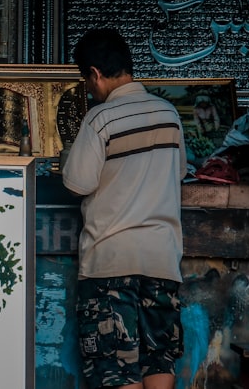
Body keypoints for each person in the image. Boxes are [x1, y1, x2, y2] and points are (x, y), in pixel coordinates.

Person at [62, 28, 187, 389]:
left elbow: (77, 183)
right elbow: (178, 172)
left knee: (115, 367)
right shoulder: (169, 114)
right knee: (159, 358)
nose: (89, 88)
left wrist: (70, 154)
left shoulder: (101, 118)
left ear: (96, 73)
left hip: (111, 263)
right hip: (162, 261)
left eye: (87, 80)